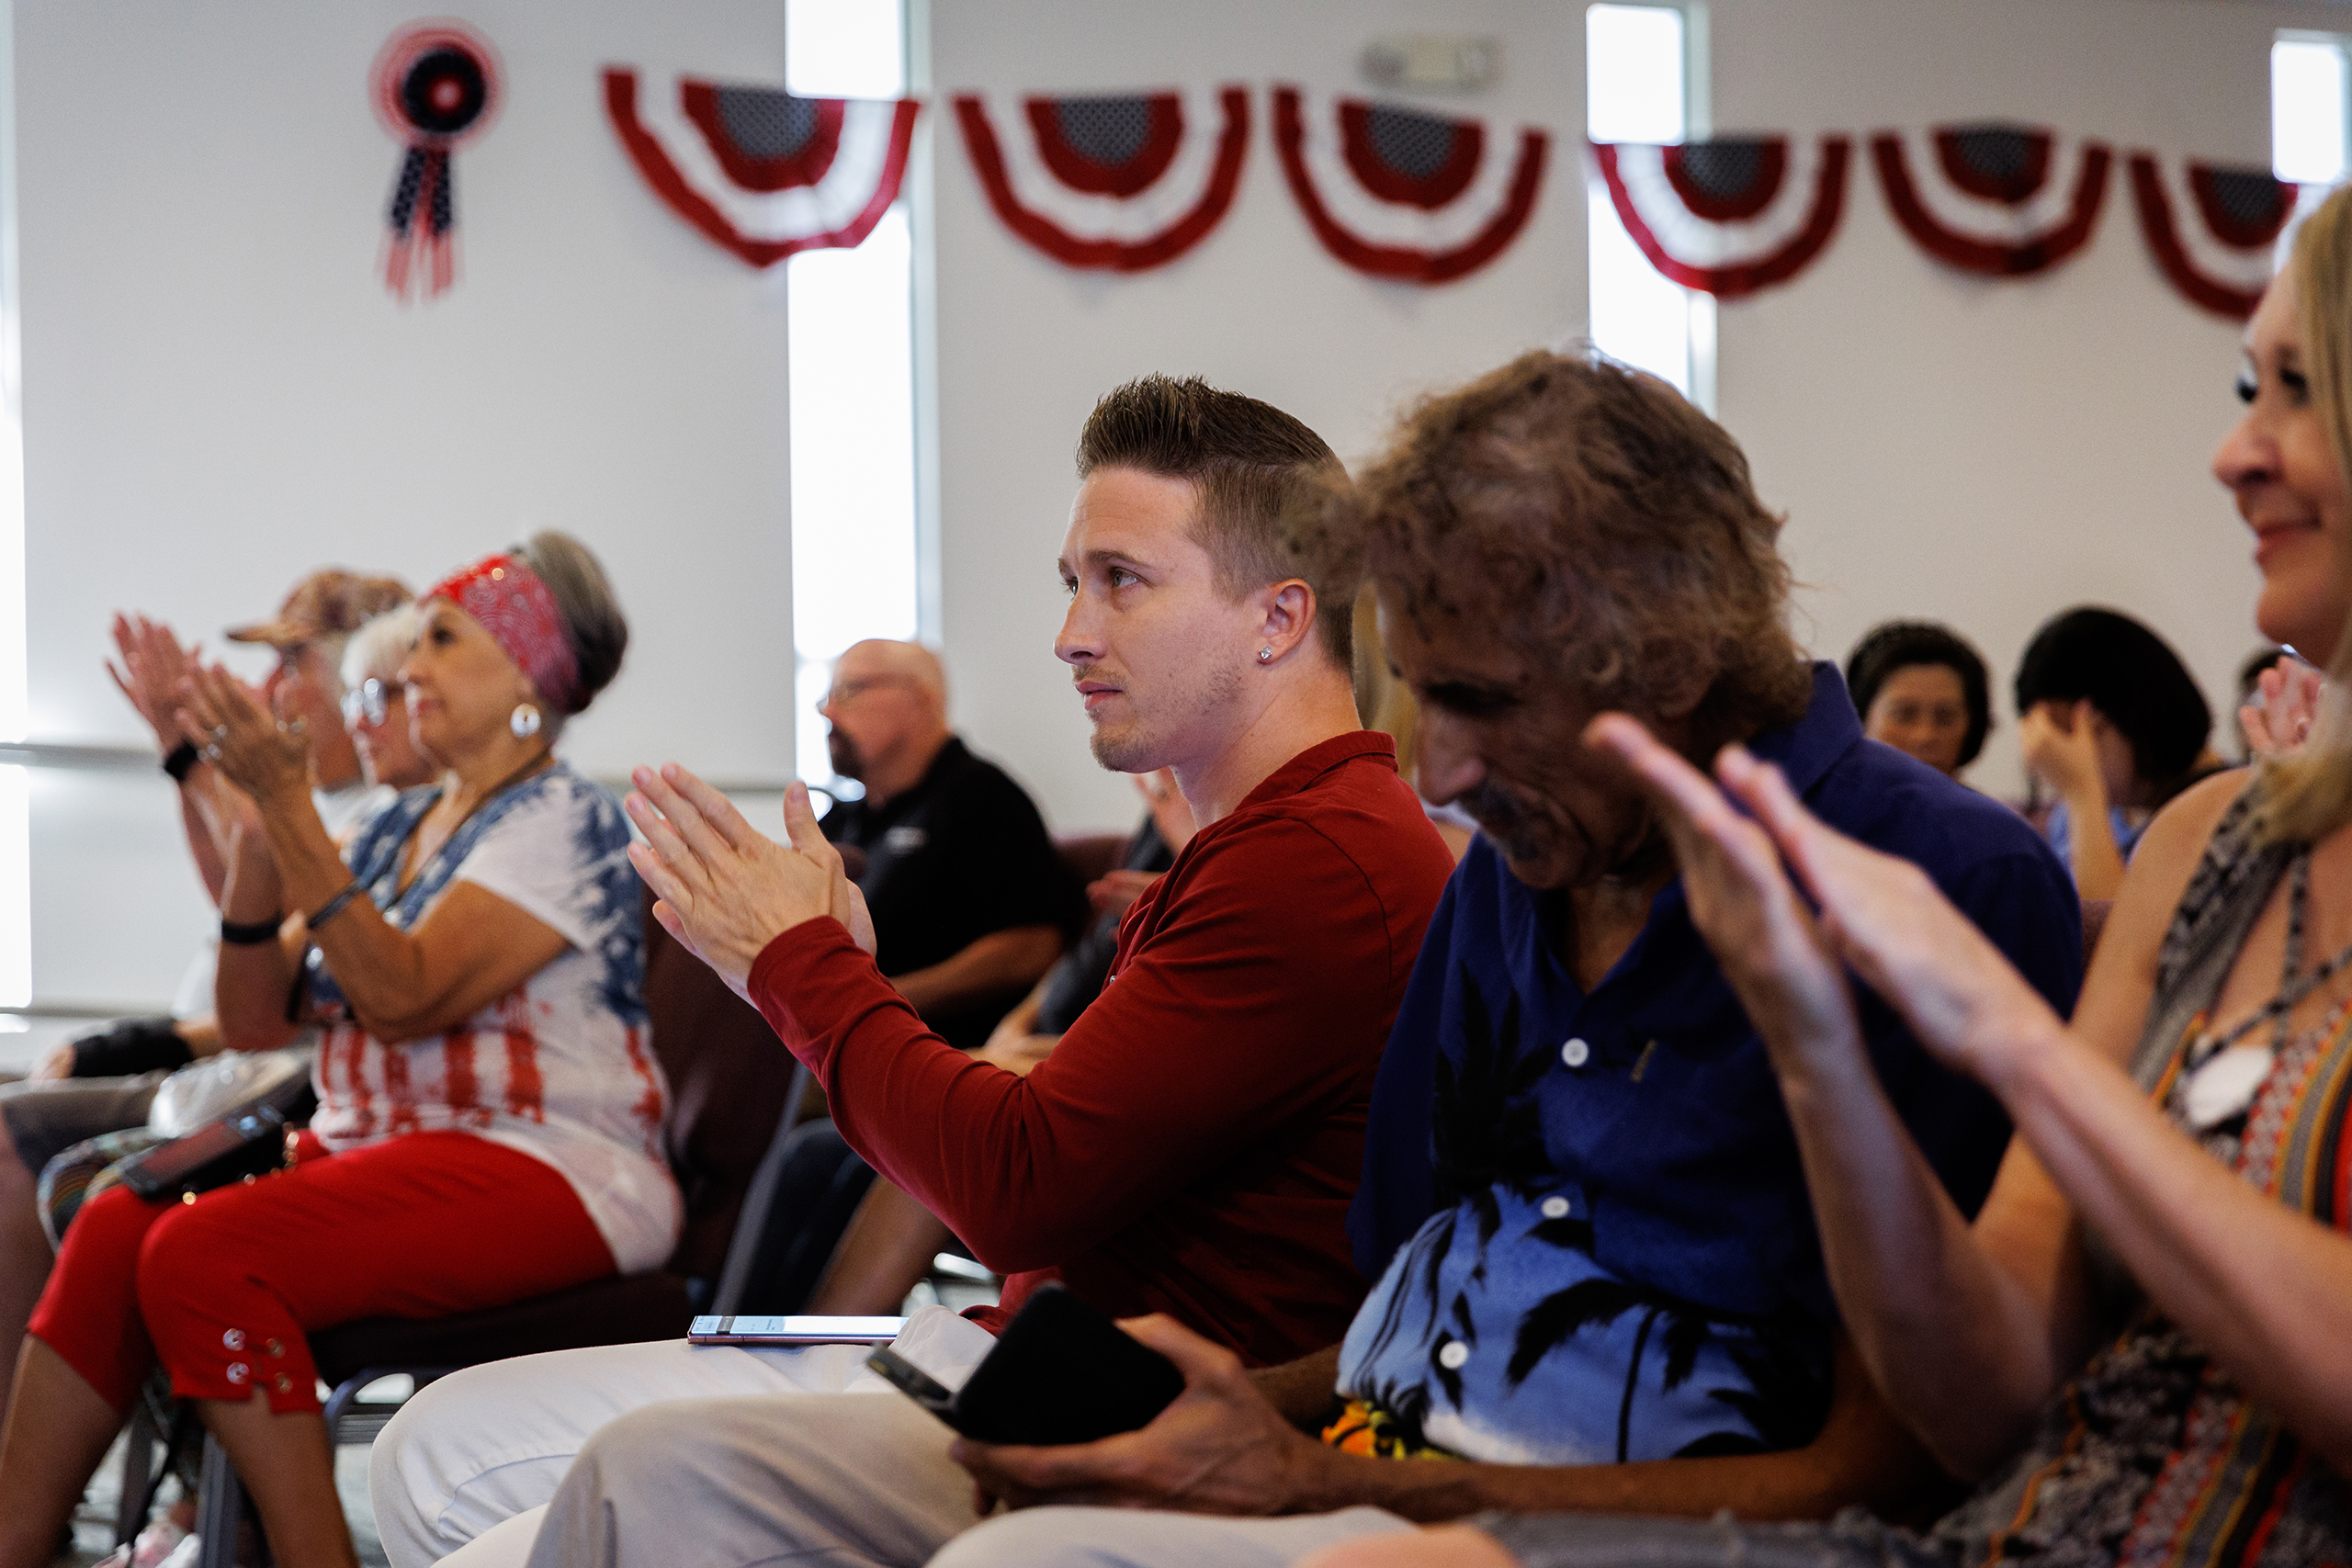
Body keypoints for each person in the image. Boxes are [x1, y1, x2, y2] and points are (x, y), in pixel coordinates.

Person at [796, 355, 2077, 1568]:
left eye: (1483, 701)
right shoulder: (1516, 877)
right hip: (1390, 1465)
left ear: (1663, 660)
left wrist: (1316, 1479)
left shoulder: (1945, 882)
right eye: (1421, 695)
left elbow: (1889, 1470)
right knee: (695, 1471)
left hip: (1629, 1526)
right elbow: (1408, 1316)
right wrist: (1209, 1418)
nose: (1446, 771)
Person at [1314, 170, 2352, 1568]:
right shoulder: (2211, 844)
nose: (2235, 451)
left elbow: (1893, 1463)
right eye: (2245, 387)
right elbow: (1994, 1402)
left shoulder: (1967, 862)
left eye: (2296, 388)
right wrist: (1819, 1050)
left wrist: (2008, 1040)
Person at [367, 375, 1458, 1568]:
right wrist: (820, 977)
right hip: (1013, 1354)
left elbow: (1015, 1180)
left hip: (1125, 1414)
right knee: (430, 1443)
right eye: (1072, 582)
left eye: (1122, 581)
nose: (1070, 633)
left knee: (608, 1487)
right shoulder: (1280, 839)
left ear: (1278, 616)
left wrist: (808, 968)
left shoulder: (1316, 857)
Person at [0, 533, 672, 1568]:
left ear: (530, 677)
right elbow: (264, 1019)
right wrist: (263, 854)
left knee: (201, 1252)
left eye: (444, 640)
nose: (406, 667)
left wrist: (285, 809)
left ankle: (312, 1557)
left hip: (554, 1164)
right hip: (379, 1147)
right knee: (114, 1218)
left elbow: (398, 994)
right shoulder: (394, 822)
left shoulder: (561, 819)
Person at [0, 570, 407, 1440]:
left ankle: (174, 1491)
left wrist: (149, 1039)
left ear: (361, 677)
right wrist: (189, 758)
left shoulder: (385, 811)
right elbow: (239, 889)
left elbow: (277, 983)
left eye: (292, 661)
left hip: (265, 1083)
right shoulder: (339, 803)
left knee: (60, 1170)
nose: (270, 688)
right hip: (225, 1065)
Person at [816, 637, 1085, 1054]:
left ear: (920, 699)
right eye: (828, 695)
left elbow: (1032, 945)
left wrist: (879, 1001)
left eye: (850, 691)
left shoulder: (983, 799)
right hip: (834, 1042)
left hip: (936, 1052)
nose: (827, 711)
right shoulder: (841, 819)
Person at [2017, 605, 2227, 900]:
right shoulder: (2071, 819)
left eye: (2079, 741)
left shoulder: (2227, 808)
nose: (2071, 763)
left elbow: (2110, 937)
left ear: (2140, 711)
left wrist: (2083, 796)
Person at [1843, 619, 1993, 779]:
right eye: (1903, 715)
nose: (1925, 736)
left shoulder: (1990, 805)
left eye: (1945, 718)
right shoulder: (1819, 802)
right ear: (1859, 718)